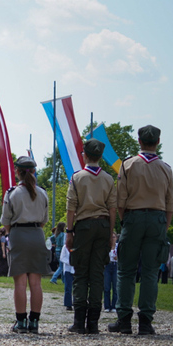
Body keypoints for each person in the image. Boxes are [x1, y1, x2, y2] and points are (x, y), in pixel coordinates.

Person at [109, 126, 173, 335]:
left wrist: (125, 220)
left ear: (139, 141)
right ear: (158, 141)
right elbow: (170, 202)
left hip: (133, 216)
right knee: (150, 272)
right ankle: (146, 321)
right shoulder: (165, 168)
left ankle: (124, 319)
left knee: (126, 270)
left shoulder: (128, 165)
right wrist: (164, 225)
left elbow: (121, 199)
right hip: (157, 218)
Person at [65, 139, 117, 334]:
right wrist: (111, 233)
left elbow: (71, 207)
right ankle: (93, 322)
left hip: (84, 225)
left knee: (80, 272)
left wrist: (70, 231)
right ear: (101, 156)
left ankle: (79, 322)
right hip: (103, 225)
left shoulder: (77, 177)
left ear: (84, 155)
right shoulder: (108, 179)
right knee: (97, 274)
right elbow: (113, 209)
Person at [0, 157, 53, 334]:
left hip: (18, 234)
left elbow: (5, 220)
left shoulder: (12, 193)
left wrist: (10, 234)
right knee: (36, 283)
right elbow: (45, 220)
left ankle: (21, 322)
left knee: (20, 283)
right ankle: (35, 321)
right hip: (37, 233)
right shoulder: (43, 193)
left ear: (17, 171)